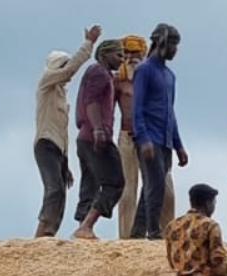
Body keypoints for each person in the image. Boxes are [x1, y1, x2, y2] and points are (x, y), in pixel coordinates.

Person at [33, 25, 102, 237]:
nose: (66, 71)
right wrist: (88, 44)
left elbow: (62, 132)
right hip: (45, 144)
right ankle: (40, 234)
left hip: (57, 147)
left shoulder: (61, 94)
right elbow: (70, 70)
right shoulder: (46, 83)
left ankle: (50, 234)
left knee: (61, 192)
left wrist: (65, 161)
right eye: (61, 65)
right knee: (53, 189)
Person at [130, 23, 188, 240]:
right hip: (149, 136)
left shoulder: (170, 76)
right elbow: (137, 107)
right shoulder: (144, 70)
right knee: (155, 186)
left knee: (152, 186)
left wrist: (179, 145)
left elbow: (170, 113)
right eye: (172, 43)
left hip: (165, 139)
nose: (175, 49)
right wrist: (143, 138)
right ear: (161, 42)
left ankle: (137, 232)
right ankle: (153, 231)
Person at [115, 34, 176, 239]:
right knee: (128, 190)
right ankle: (128, 237)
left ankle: (167, 234)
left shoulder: (155, 76)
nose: (131, 57)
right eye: (127, 53)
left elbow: (167, 110)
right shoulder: (119, 81)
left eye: (135, 53)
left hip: (154, 138)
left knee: (164, 189)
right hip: (127, 137)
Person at [72, 40, 126, 239]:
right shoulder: (99, 72)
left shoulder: (100, 74)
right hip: (95, 135)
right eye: (118, 55)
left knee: (90, 183)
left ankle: (82, 226)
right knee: (115, 182)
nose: (122, 60)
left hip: (83, 138)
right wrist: (98, 130)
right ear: (105, 54)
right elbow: (92, 101)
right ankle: (87, 225)